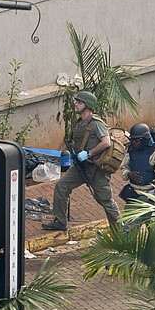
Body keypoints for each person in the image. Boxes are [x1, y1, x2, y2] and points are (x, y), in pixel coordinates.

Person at [42, 91, 120, 231]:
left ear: (88, 105)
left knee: (105, 200)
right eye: (77, 102)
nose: (76, 104)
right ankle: (60, 221)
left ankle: (120, 230)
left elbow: (106, 142)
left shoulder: (96, 123)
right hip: (81, 166)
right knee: (61, 187)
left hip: (96, 168)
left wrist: (89, 153)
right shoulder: (79, 123)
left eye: (80, 102)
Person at [118, 123, 155, 230]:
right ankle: (130, 246)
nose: (134, 142)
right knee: (128, 227)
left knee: (154, 229)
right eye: (133, 140)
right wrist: (129, 174)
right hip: (134, 193)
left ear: (145, 139)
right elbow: (123, 168)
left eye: (137, 140)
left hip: (151, 193)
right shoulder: (131, 151)